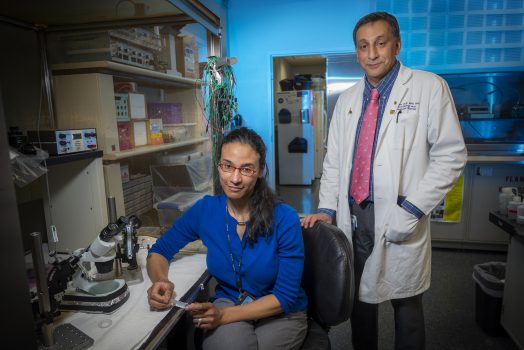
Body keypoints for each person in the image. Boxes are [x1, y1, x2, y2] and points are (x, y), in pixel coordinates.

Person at [301, 11, 467, 350]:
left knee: (406, 305)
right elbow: (333, 160)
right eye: (363, 46)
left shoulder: (428, 88)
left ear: (397, 45)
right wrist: (327, 209)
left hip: (399, 211)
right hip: (354, 213)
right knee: (360, 298)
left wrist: (412, 208)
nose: (372, 53)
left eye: (380, 43)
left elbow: (451, 155)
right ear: (357, 52)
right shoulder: (346, 100)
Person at [147, 127, 308, 350]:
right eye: (227, 166)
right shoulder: (206, 211)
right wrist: (160, 280)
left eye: (246, 169)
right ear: (219, 166)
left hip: (279, 312)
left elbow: (285, 297)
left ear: (260, 170)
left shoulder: (285, 217)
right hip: (230, 300)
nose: (235, 178)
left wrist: (223, 316)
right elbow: (159, 250)